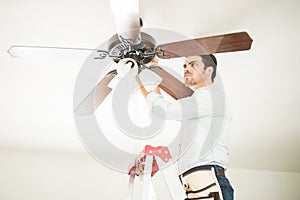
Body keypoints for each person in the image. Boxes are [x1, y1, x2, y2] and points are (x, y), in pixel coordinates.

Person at [136, 55, 234, 200]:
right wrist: (154, 158)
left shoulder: (212, 98)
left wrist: (138, 78)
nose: (186, 69)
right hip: (196, 187)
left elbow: (162, 111)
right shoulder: (198, 111)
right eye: (185, 66)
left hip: (209, 184)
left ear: (209, 71)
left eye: (193, 64)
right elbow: (180, 147)